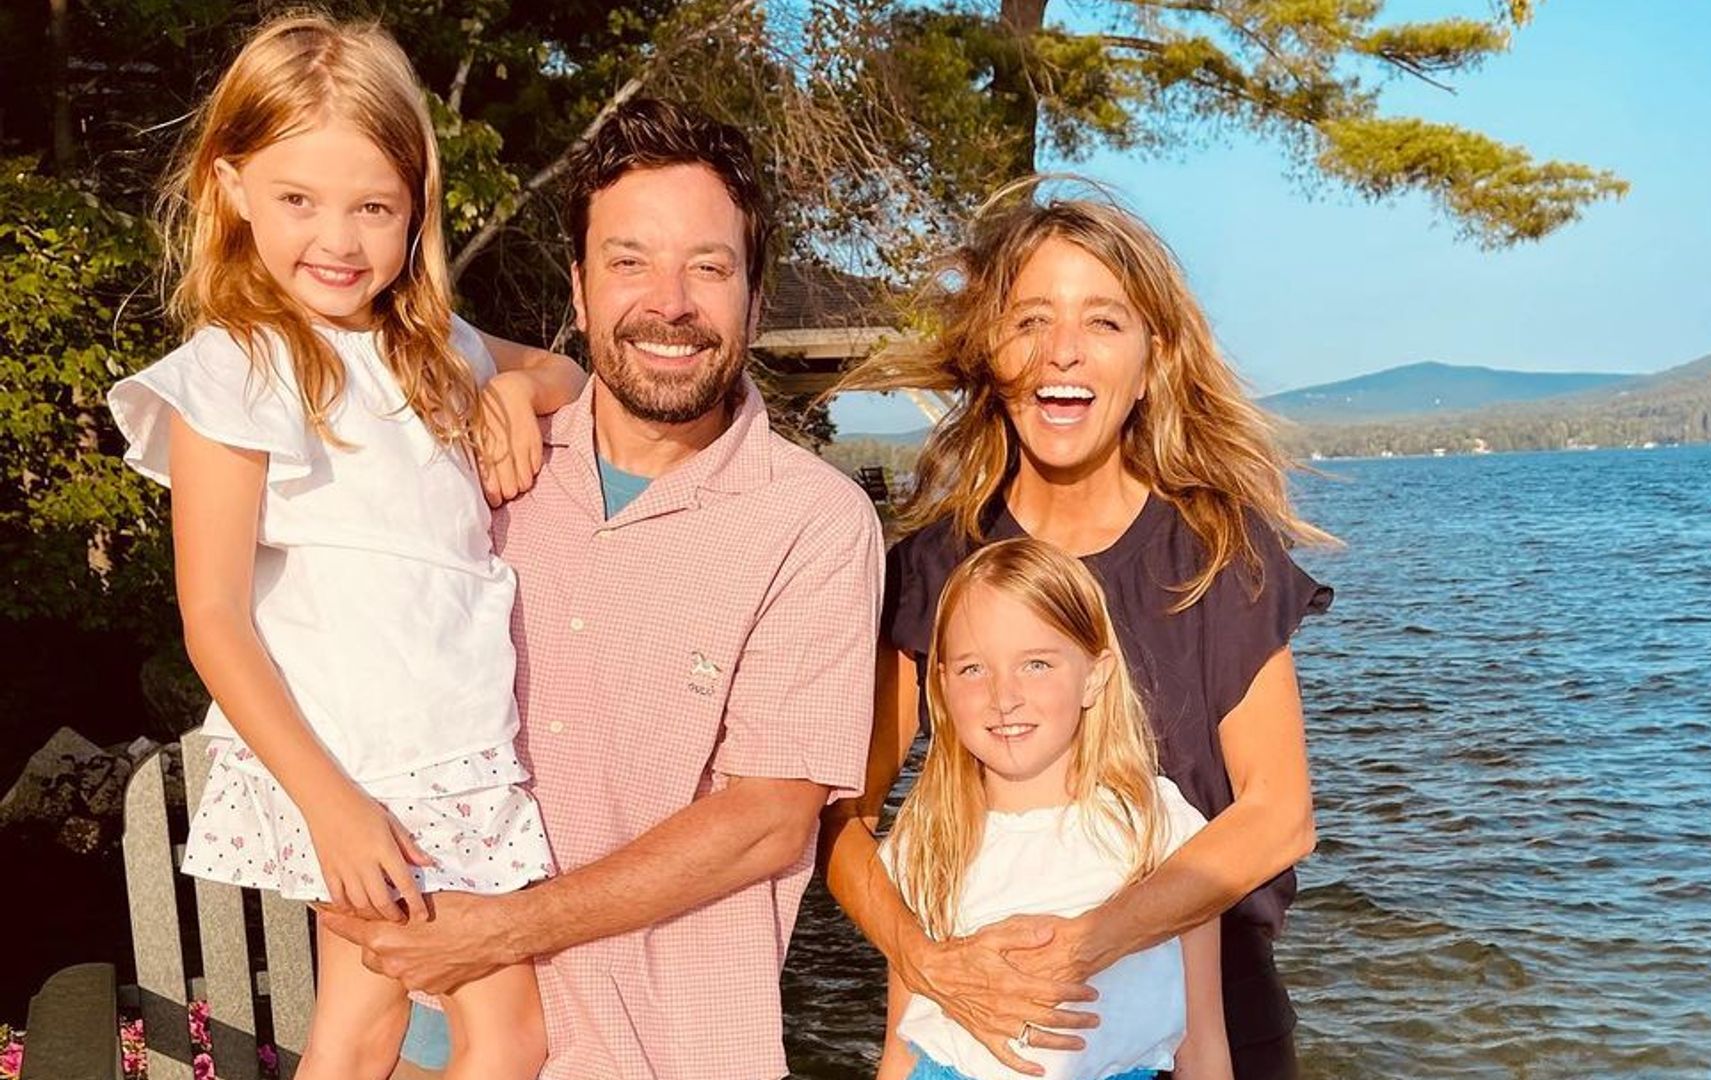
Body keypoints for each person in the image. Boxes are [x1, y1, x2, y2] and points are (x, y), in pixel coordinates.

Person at [319, 98, 886, 1080]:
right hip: (430, 1034)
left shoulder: (819, 526)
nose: (668, 302)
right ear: (578, 292)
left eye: (707, 267)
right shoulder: (476, 470)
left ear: (754, 300)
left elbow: (769, 818)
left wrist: (502, 932)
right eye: (629, 262)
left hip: (661, 1052)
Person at [106, 14, 586, 1080]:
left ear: (416, 204)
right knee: (510, 1036)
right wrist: (335, 807)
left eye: (373, 206)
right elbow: (213, 615)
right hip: (354, 766)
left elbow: (570, 380)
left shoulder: (438, 348)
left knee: (361, 1029)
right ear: (231, 185)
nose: (338, 239)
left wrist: (514, 387)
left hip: (452, 747)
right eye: (298, 200)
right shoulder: (234, 366)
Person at [825, 182, 1334, 1079]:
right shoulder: (936, 564)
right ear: (990, 349)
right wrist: (926, 958)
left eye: (1104, 322)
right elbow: (843, 812)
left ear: (1153, 361)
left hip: (1209, 1030)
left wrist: (1089, 945)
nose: (1062, 351)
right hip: (985, 1038)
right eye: (1029, 321)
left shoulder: (1220, 552)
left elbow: (1278, 816)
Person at [874, 538, 1229, 1080]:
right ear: (941, 685)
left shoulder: (1157, 828)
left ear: (1094, 674)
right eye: (972, 669)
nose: (1003, 695)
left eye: (1036, 664)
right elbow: (901, 1044)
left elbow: (1202, 1044)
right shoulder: (927, 837)